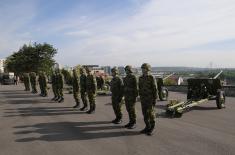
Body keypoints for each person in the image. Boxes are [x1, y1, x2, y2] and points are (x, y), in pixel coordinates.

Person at [139, 63, 158, 136]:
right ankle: (147, 127)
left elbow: (155, 89)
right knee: (145, 114)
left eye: (144, 68)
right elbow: (140, 87)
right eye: (142, 68)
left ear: (148, 69)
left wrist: (155, 99)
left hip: (150, 99)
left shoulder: (151, 77)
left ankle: (152, 128)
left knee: (151, 114)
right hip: (143, 99)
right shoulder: (141, 78)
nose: (143, 70)